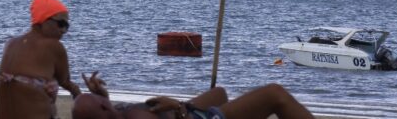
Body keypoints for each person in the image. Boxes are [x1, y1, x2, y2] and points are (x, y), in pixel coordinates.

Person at [72, 72, 314, 119]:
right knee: (275, 93)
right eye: (101, 101)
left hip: (185, 111)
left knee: (219, 92)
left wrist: (104, 95)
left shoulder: (116, 113)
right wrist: (179, 109)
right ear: (103, 109)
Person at [0, 0, 82, 119]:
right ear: (44, 20)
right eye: (61, 24)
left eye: (66, 26)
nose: (64, 30)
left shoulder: (11, 44)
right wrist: (81, 95)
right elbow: (65, 82)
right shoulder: (54, 46)